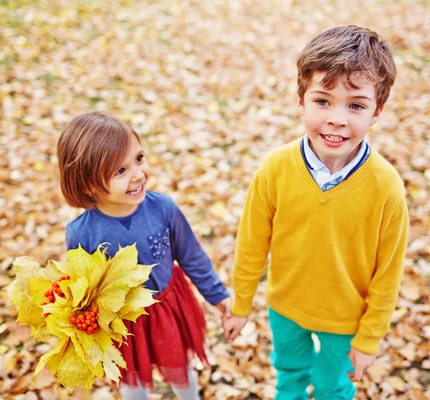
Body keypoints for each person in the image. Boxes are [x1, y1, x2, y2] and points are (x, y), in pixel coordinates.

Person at [223, 26, 409, 399]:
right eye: (323, 101)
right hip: (286, 307)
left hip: (346, 318)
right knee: (289, 376)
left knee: (332, 387)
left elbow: (388, 271)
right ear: (302, 100)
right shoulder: (276, 168)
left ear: (377, 111)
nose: (337, 118)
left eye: (355, 105)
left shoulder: (386, 186)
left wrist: (370, 337)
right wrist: (241, 303)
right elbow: (252, 243)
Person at [57, 111, 230, 399]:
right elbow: (82, 291)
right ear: (88, 183)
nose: (138, 174)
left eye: (138, 159)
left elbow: (192, 256)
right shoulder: (81, 233)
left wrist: (218, 295)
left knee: (180, 369)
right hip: (124, 323)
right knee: (132, 380)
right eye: (120, 171)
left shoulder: (163, 208)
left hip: (167, 309)